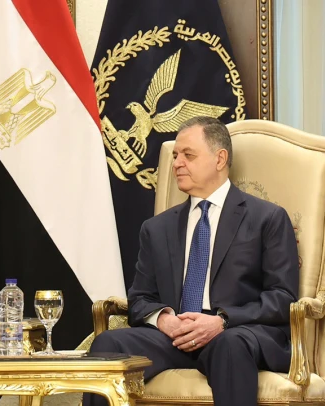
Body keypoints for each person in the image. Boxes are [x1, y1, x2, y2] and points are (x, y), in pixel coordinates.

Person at [86, 116, 299, 406]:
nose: (177, 163)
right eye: (175, 156)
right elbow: (140, 299)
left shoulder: (267, 219)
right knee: (108, 342)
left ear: (219, 159)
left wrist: (221, 321)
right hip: (174, 337)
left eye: (188, 155)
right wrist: (164, 320)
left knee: (230, 345)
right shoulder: (156, 228)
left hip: (235, 333)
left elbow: (282, 297)